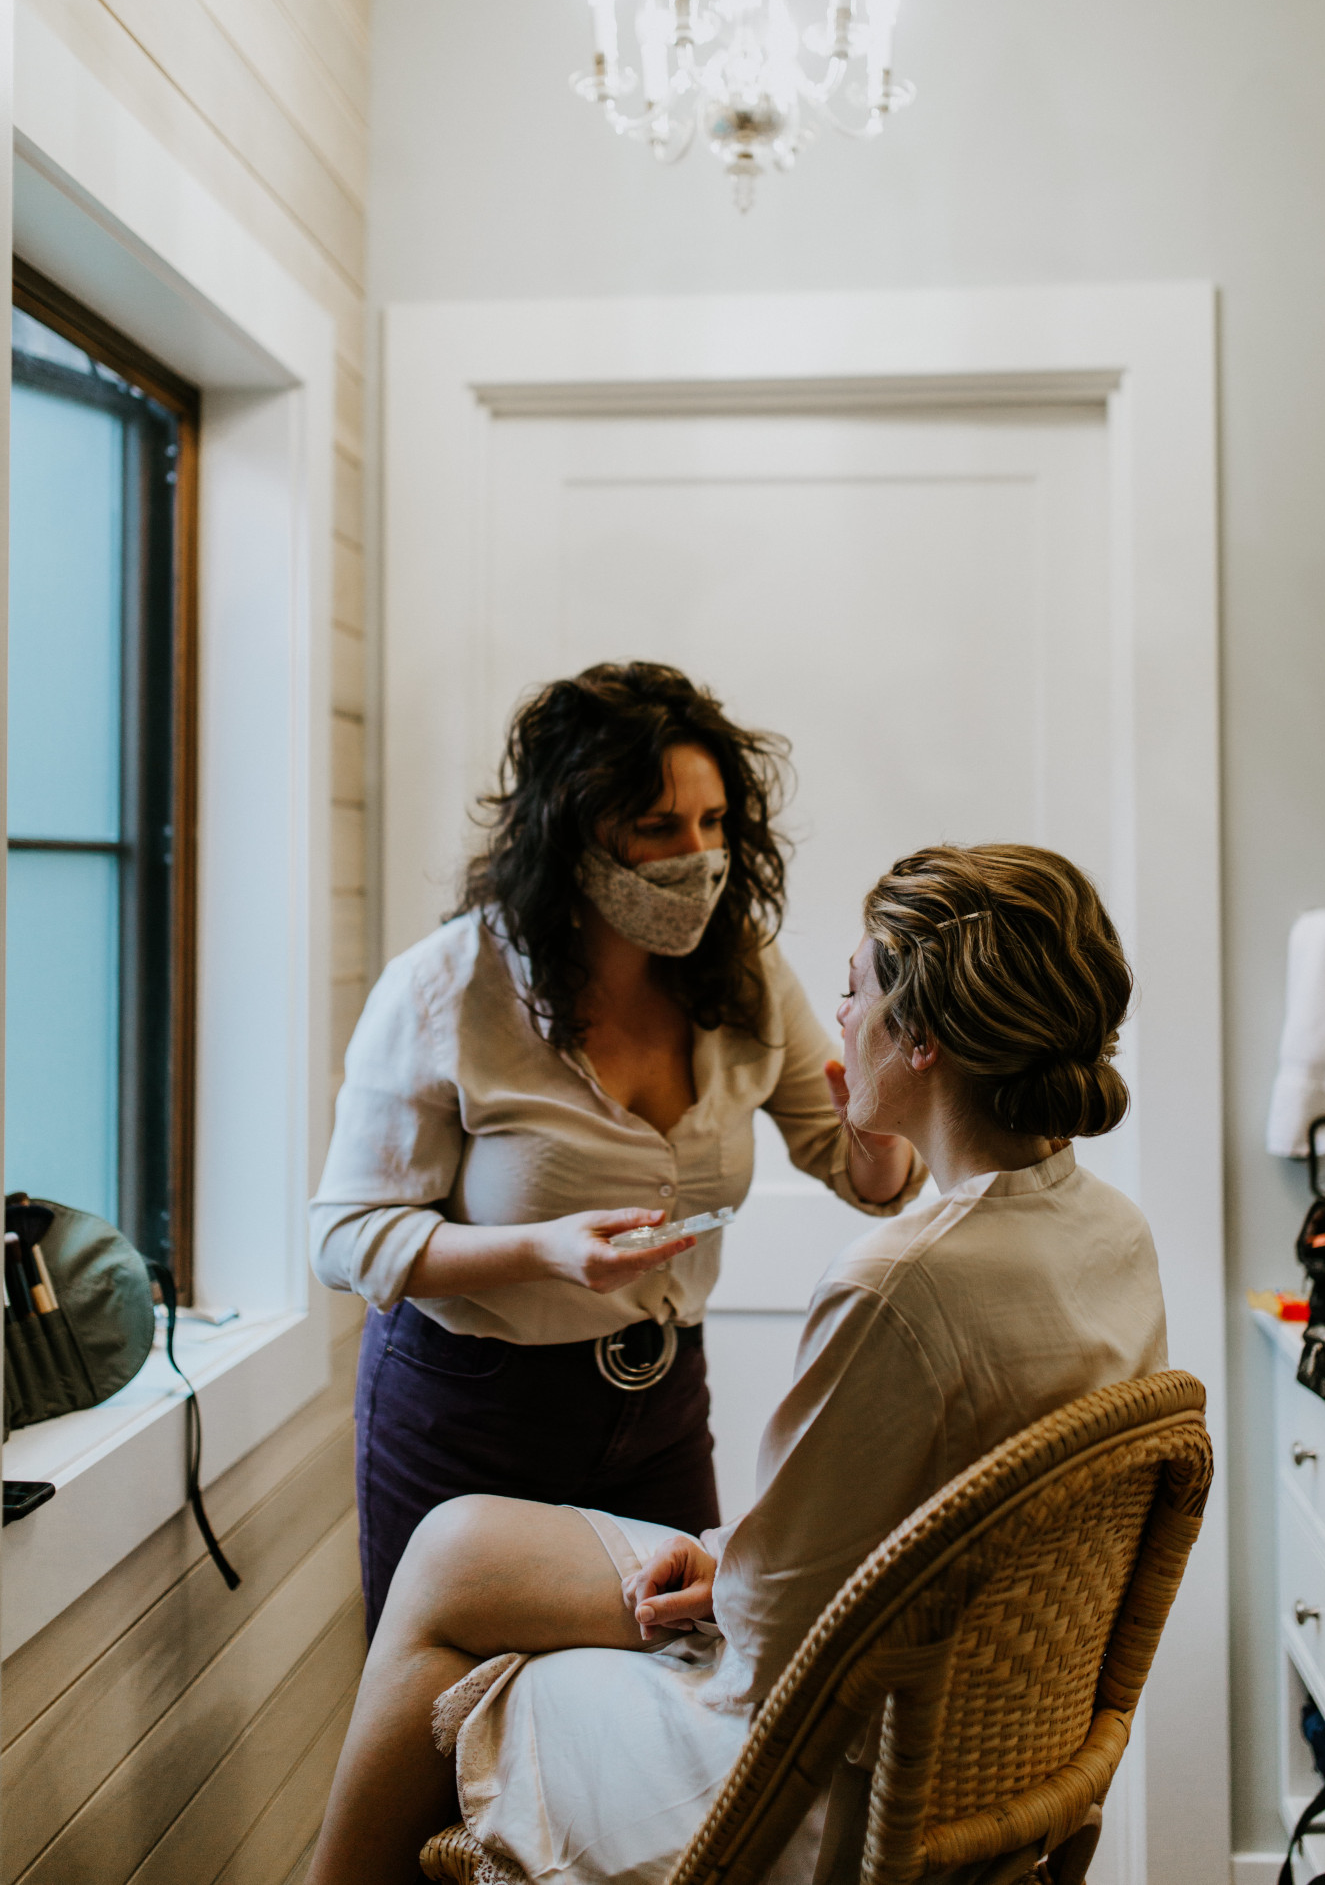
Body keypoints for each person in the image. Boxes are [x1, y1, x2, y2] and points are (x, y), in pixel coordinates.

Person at [305, 843, 1168, 1885]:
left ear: (924, 1039)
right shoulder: (1112, 1233)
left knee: (452, 1605)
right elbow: (920, 1526)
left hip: (804, 1786)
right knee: (457, 1547)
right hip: (967, 1737)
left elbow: (769, 1638)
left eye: (853, 993)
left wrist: (734, 1586)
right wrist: (733, 1569)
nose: (835, 1024)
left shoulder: (898, 1286)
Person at [310, 662, 923, 1636]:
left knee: (674, 1674)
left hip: (659, 1402)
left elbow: (866, 1178)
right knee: (450, 1709)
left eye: (715, 824)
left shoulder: (748, 974)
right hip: (468, 1411)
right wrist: (541, 1252)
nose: (698, 857)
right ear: (570, 833)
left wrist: (880, 1111)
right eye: (657, 828)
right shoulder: (443, 989)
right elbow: (346, 1238)